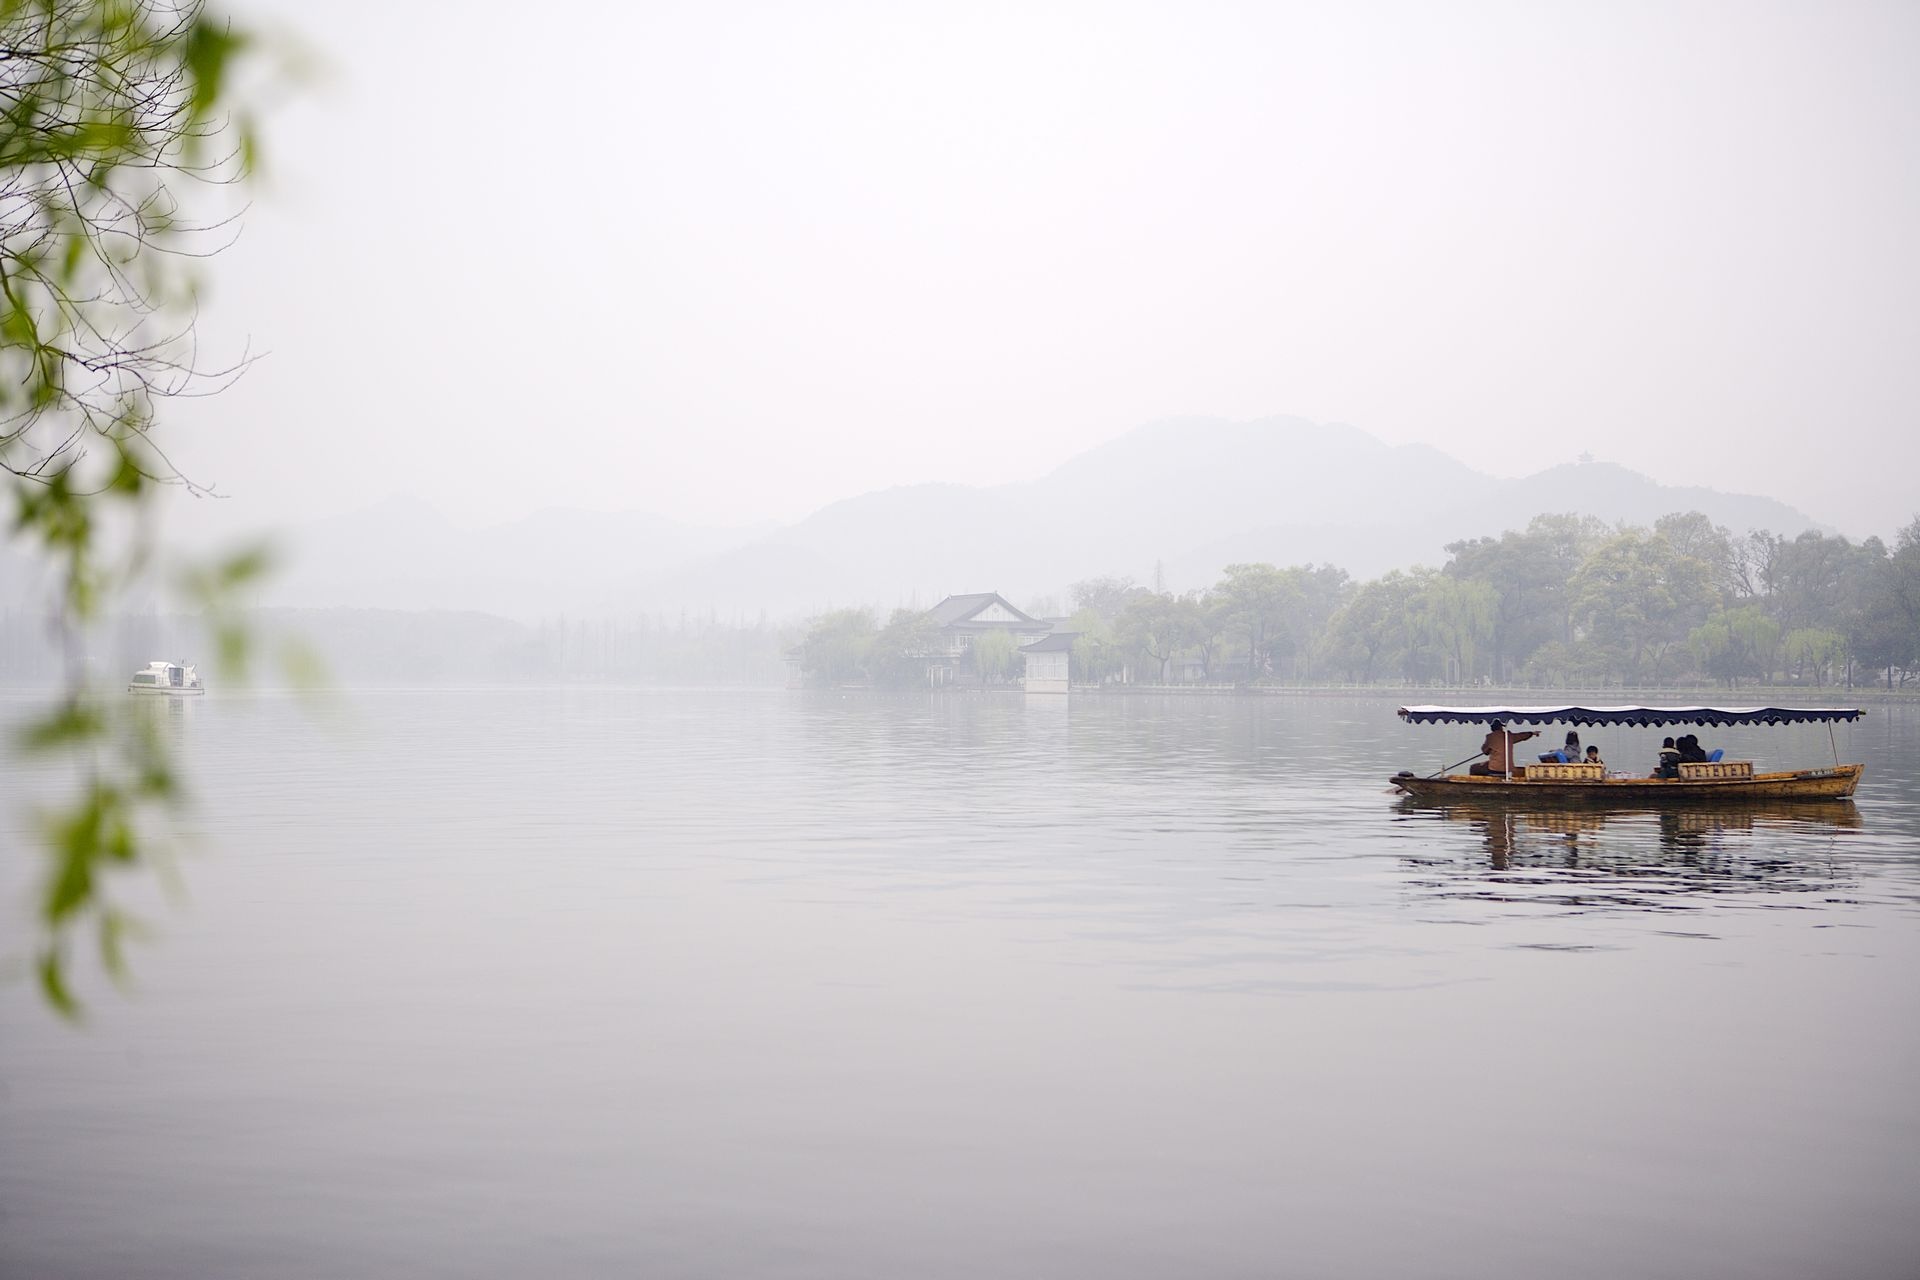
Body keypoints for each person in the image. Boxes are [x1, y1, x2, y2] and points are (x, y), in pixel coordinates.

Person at [1469, 719, 1538, 776]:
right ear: (1501, 727)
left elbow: (1485, 751)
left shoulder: (1490, 737)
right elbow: (1521, 736)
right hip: (1508, 768)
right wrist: (1531, 733)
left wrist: (1489, 749)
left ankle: (1475, 785)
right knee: (1486, 764)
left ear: (1492, 728)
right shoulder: (1509, 736)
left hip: (1495, 769)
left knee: (1473, 767)